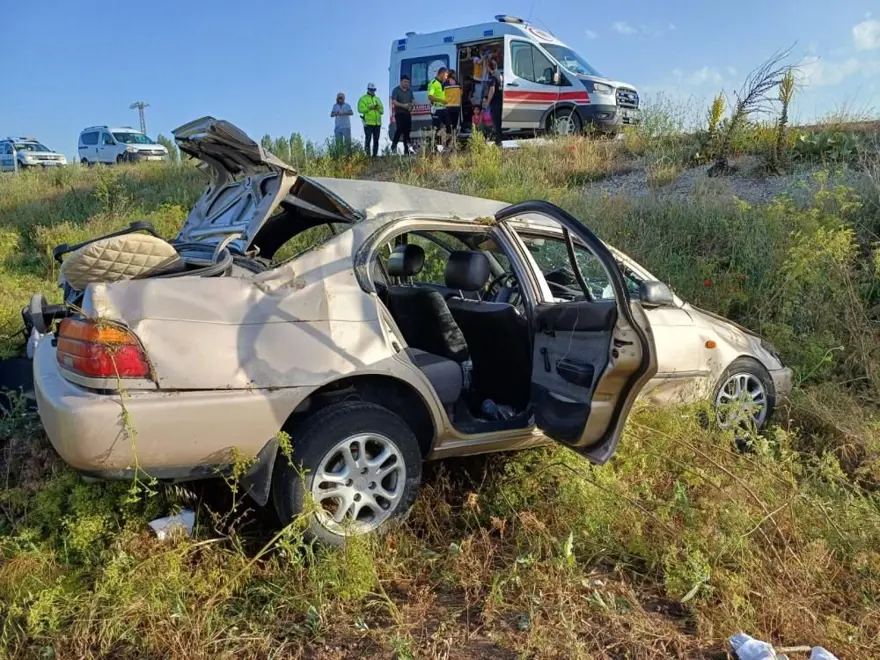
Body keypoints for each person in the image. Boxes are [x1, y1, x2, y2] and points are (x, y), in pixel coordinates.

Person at [358, 82, 384, 157]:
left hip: (377, 123)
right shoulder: (363, 99)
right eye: (371, 90)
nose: (372, 91)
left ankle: (375, 155)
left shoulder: (377, 99)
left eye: (374, 90)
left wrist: (377, 107)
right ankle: (368, 155)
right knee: (368, 139)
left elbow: (382, 111)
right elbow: (360, 109)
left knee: (376, 140)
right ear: (368, 89)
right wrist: (369, 107)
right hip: (368, 123)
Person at [390, 74, 414, 155]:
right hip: (399, 113)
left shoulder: (410, 91)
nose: (406, 84)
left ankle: (407, 150)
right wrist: (403, 105)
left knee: (407, 132)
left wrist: (411, 105)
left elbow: (412, 100)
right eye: (405, 82)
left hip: (408, 113)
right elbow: (394, 102)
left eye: (407, 82)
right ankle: (393, 146)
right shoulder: (396, 90)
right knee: (399, 129)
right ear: (401, 82)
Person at [427, 67, 450, 149]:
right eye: (446, 75)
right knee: (436, 129)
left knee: (449, 126)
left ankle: (447, 145)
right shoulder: (433, 83)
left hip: (444, 108)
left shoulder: (442, 83)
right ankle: (434, 147)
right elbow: (430, 97)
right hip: (437, 109)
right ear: (442, 74)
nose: (446, 77)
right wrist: (441, 100)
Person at [484, 60, 504, 146]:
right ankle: (499, 140)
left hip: (495, 103)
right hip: (500, 101)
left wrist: (487, 101)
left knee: (495, 122)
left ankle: (498, 142)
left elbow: (492, 90)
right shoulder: (500, 75)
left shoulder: (492, 77)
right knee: (499, 122)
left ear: (489, 67)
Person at [443, 69, 462, 141]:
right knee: (454, 127)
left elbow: (441, 95)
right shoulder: (458, 83)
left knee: (448, 128)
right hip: (456, 108)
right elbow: (461, 94)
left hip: (448, 108)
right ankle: (453, 143)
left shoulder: (444, 84)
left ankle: (448, 144)